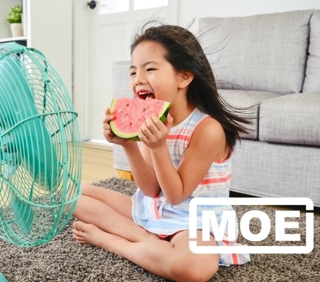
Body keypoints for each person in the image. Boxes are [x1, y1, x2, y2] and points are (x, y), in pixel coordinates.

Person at [72, 22, 252, 282]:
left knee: (194, 266)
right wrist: (128, 144)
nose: (138, 80)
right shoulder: (151, 116)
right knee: (73, 195)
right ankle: (148, 239)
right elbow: (151, 190)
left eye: (150, 69)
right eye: (133, 72)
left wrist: (158, 147)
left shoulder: (208, 129)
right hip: (156, 207)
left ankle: (116, 241)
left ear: (184, 76)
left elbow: (176, 195)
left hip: (196, 221)